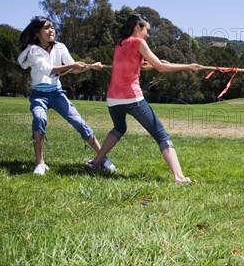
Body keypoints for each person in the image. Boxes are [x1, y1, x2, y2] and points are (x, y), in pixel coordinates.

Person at [85, 14, 202, 183]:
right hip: (132, 98)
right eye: (147, 30)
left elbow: (129, 64)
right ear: (137, 27)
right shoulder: (139, 42)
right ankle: (179, 177)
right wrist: (188, 66)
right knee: (161, 135)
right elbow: (161, 68)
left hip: (112, 98)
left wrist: (144, 65)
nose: (148, 34)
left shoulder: (119, 44)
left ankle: (95, 162)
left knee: (119, 128)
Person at [17, 16, 115, 175]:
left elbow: (75, 68)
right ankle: (40, 164)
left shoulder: (60, 47)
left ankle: (102, 159)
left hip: (57, 93)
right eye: (46, 28)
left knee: (79, 122)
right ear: (37, 33)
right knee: (39, 119)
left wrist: (90, 66)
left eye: (53, 28)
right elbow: (48, 69)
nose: (51, 31)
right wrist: (72, 65)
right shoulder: (33, 51)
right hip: (39, 95)